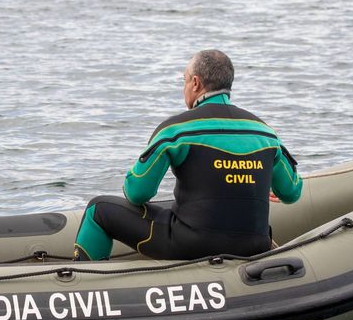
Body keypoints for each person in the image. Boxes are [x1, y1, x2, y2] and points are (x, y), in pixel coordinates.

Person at [73, 49, 302, 261]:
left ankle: (81, 288)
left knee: (98, 209)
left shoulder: (175, 130)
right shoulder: (265, 132)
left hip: (191, 244)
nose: (183, 87)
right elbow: (292, 193)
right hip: (255, 244)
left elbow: (137, 193)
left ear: (195, 83)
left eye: (184, 80)